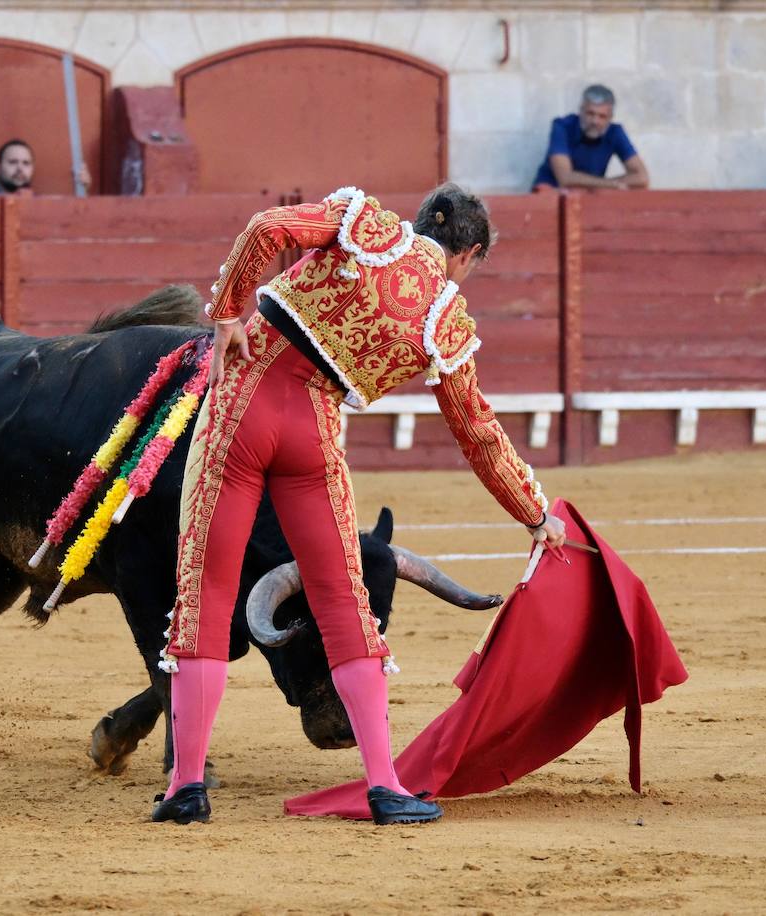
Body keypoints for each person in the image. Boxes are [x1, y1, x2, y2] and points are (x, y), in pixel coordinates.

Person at [151, 184, 566, 827]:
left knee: (207, 589)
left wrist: (229, 311)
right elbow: (479, 434)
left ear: (425, 219)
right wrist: (536, 515)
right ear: (469, 253)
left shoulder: (365, 223)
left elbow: (267, 227)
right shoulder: (446, 321)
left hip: (246, 396)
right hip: (314, 435)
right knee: (345, 599)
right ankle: (385, 785)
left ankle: (186, 788)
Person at [532, 85, 648, 192]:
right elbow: (565, 178)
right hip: (552, 198)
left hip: (589, 198)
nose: (595, 121)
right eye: (590, 113)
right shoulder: (562, 127)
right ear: (581, 110)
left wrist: (605, 184)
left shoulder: (615, 132)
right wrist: (611, 184)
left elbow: (642, 178)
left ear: (610, 118)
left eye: (602, 116)